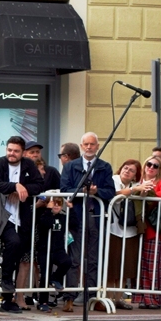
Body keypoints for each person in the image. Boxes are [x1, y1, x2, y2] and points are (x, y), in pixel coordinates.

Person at [60, 133, 115, 310]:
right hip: (76, 216)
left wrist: (96, 191)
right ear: (81, 146)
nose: (89, 147)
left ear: (98, 146)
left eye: (92, 144)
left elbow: (110, 192)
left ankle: (91, 295)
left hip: (95, 216)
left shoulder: (104, 167)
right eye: (86, 144)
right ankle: (70, 295)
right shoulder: (71, 167)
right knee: (74, 258)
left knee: (93, 258)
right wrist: (82, 190)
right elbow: (64, 189)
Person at [0, 136, 45, 313]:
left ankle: (10, 298)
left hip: (23, 217)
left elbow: (39, 185)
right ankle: (7, 287)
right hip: (4, 216)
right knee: (13, 243)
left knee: (20, 253)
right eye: (9, 150)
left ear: (22, 152)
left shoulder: (29, 166)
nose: (11, 154)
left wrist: (24, 189)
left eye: (15, 151)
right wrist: (15, 186)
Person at [133, 156, 161, 309]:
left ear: (159, 170)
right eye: (149, 164)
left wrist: (150, 192)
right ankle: (143, 297)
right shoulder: (139, 183)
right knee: (142, 265)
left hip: (154, 230)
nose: (151, 167)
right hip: (139, 228)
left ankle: (152, 299)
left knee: (153, 266)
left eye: (155, 166)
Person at [107, 159, 145, 309]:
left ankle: (119, 298)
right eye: (125, 167)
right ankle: (109, 297)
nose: (127, 171)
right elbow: (114, 195)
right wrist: (134, 190)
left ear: (135, 176)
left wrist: (142, 190)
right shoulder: (113, 180)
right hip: (113, 229)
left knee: (124, 266)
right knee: (112, 266)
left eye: (131, 170)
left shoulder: (136, 186)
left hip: (130, 231)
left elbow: (143, 198)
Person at [35, 196, 72, 311]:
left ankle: (54, 278)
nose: (56, 206)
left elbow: (75, 223)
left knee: (67, 261)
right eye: (54, 203)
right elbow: (46, 224)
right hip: (44, 249)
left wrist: (72, 209)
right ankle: (43, 301)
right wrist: (48, 210)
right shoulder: (44, 215)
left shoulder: (63, 217)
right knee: (44, 275)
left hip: (58, 249)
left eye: (59, 203)